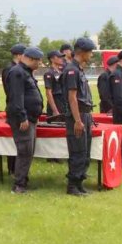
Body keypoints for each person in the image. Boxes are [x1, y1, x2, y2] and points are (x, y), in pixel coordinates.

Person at [5, 47, 44, 194]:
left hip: (30, 118)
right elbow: (16, 96)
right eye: (38, 61)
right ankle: (19, 185)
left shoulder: (25, 72)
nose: (40, 64)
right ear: (31, 59)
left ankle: (23, 180)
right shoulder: (17, 72)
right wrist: (22, 116)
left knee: (29, 151)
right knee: (24, 150)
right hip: (22, 118)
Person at [64, 37, 96, 196]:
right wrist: (77, 120)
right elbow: (72, 97)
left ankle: (79, 182)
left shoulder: (79, 69)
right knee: (78, 151)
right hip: (77, 116)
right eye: (90, 52)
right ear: (82, 52)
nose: (91, 55)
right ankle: (72, 186)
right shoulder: (72, 70)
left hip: (85, 114)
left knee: (85, 151)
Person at [1, 43, 26, 173]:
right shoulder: (10, 69)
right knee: (14, 141)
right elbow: (10, 91)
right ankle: (12, 168)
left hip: (17, 106)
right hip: (14, 107)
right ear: (18, 55)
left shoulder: (19, 68)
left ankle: (16, 168)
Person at [43, 50, 67, 118]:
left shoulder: (60, 72)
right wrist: (55, 110)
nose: (61, 59)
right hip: (55, 103)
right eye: (59, 57)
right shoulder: (49, 73)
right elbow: (48, 93)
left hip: (63, 103)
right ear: (52, 59)